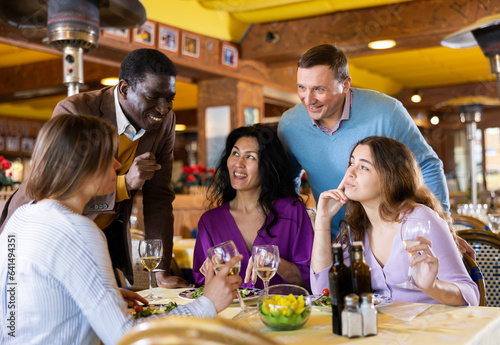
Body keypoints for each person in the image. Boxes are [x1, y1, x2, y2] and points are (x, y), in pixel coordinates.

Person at [0, 115, 242, 345]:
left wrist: (99, 293)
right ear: (85, 164)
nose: (117, 164)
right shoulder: (78, 230)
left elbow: (13, 305)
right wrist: (208, 303)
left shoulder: (22, 216)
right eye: (109, 155)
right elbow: (126, 337)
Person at [0, 48, 187, 288]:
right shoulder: (75, 111)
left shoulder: (164, 122)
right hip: (45, 230)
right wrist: (125, 184)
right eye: (153, 96)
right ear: (124, 89)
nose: (163, 108)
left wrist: (161, 271)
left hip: (106, 233)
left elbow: (159, 197)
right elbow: (56, 190)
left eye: (170, 98)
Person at [277, 44, 450, 238]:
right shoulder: (290, 125)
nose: (308, 99)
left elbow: (426, 165)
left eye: (319, 89)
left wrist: (441, 229)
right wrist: (290, 233)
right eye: (302, 88)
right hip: (333, 239)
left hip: (392, 237)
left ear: (345, 84)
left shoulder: (387, 112)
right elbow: (287, 182)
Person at [310, 136, 479, 306]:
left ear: (388, 177)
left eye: (363, 167)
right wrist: (323, 220)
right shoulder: (355, 227)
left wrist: (433, 286)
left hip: (431, 327)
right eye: (351, 163)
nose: (350, 173)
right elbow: (323, 291)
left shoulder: (419, 220)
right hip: (385, 329)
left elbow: (471, 295)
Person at [192, 124, 314, 290]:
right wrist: (211, 276)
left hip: (281, 312)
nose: (238, 163)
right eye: (235, 153)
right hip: (230, 314)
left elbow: (309, 280)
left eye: (250, 157)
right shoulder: (210, 222)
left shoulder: (292, 211)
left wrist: (274, 262)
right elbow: (202, 287)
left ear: (267, 165)